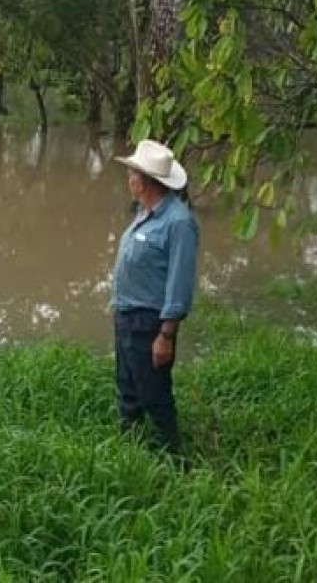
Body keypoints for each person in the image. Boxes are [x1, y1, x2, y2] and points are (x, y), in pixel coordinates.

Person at [111, 139, 199, 456]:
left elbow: (179, 283)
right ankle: (129, 448)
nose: (128, 178)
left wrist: (166, 335)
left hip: (149, 322)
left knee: (155, 394)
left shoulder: (178, 223)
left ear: (145, 182)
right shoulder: (145, 212)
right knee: (128, 388)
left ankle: (174, 458)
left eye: (132, 173)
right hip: (125, 317)